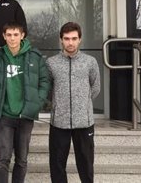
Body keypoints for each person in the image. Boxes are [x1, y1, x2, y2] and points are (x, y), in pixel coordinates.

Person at [0, 22, 50, 183]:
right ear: (4, 36)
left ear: (22, 36)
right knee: (2, 159)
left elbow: (44, 82)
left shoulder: (35, 56)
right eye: (9, 35)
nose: (12, 38)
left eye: (15, 35)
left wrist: (36, 103)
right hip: (4, 116)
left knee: (21, 160)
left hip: (25, 115)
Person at [47, 22, 100, 183]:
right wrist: (58, 105)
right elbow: (49, 90)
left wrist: (82, 105)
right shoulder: (51, 63)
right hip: (59, 123)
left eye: (74, 39)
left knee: (86, 166)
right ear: (61, 40)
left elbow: (95, 87)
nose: (70, 42)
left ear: (80, 40)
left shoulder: (90, 62)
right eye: (67, 39)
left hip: (84, 123)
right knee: (57, 165)